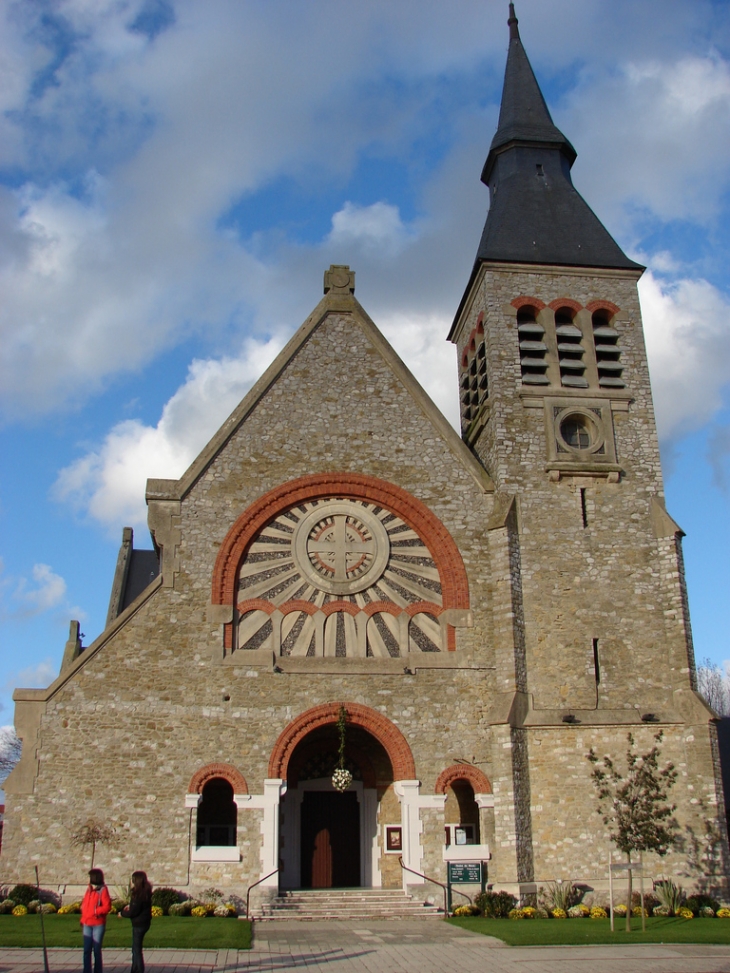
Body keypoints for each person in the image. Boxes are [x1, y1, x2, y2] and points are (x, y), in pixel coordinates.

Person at [118, 870, 153, 973]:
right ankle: (134, 969)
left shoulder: (137, 894)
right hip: (145, 922)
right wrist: (131, 906)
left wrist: (122, 913)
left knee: (137, 949)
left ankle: (138, 969)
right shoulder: (146, 891)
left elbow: (133, 912)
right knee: (135, 948)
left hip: (139, 924)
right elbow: (139, 907)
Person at [80, 868, 112, 973]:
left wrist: (95, 911)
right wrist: (83, 918)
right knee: (86, 950)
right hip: (87, 923)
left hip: (98, 923)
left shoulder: (103, 890)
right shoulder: (89, 889)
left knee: (97, 950)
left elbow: (107, 907)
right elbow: (85, 904)